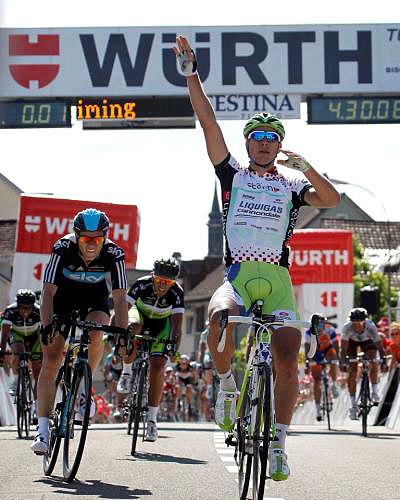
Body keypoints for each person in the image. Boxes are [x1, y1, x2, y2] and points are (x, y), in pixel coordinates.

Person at [173, 35, 340, 481]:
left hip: (278, 278)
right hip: (238, 274)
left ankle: (280, 444)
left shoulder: (289, 184)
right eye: (257, 138)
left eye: (271, 138)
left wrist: (306, 167)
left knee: (287, 359)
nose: (264, 144)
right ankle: (228, 387)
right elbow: (208, 123)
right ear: (248, 145)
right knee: (218, 319)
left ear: (278, 144)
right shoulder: (231, 174)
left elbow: (330, 198)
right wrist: (193, 77)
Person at [31, 208, 128, 454]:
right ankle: (42, 431)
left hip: (94, 299)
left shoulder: (114, 254)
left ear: (105, 237)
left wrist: (123, 333)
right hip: (62, 300)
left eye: (97, 239)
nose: (92, 244)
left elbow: (118, 298)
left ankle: (85, 388)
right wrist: (46, 325)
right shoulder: (62, 248)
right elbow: (48, 292)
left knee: (97, 333)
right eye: (86, 239)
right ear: (76, 236)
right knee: (51, 360)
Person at [115, 258, 184, 442]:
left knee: (157, 367)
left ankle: (152, 420)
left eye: (167, 282)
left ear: (174, 282)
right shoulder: (141, 284)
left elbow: (177, 326)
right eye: (159, 280)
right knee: (133, 327)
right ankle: (127, 372)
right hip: (140, 316)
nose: (162, 285)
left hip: (162, 325)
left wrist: (173, 347)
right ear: (152, 276)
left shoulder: (177, 293)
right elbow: (123, 309)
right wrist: (117, 335)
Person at [0, 289, 42, 423]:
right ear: (17, 305)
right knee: (19, 350)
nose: (24, 311)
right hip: (17, 335)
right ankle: (16, 380)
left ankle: (37, 410)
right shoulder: (10, 311)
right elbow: (5, 334)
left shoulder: (39, 311)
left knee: (37, 374)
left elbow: (43, 334)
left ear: (32, 306)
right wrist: (2, 350)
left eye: (28, 308)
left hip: (34, 337)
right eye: (22, 308)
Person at [340, 307, 387, 420]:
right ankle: (353, 406)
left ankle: (375, 392)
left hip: (367, 342)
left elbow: (379, 346)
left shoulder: (371, 327)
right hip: (352, 343)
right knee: (353, 370)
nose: (356, 326)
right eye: (354, 323)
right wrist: (343, 361)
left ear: (364, 321)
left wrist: (383, 360)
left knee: (373, 360)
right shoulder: (347, 328)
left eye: (359, 323)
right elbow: (344, 348)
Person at [304, 318, 339, 421]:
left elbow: (336, 346)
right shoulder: (308, 333)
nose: (318, 330)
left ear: (324, 325)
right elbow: (308, 349)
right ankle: (318, 409)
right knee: (317, 380)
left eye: (320, 327)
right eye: (316, 327)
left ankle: (333, 384)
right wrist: (308, 362)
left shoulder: (330, 331)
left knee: (333, 356)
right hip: (315, 352)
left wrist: (338, 359)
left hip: (327, 349)